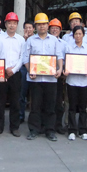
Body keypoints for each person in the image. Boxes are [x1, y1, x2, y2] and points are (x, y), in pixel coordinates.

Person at [23, 13, 64, 142]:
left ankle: (50, 130)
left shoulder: (54, 40)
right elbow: (25, 58)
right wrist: (30, 70)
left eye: (44, 24)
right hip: (35, 79)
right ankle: (34, 130)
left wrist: (60, 69)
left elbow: (59, 56)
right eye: (39, 24)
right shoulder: (30, 40)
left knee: (50, 106)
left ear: (47, 25)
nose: (42, 26)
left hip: (51, 79)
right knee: (35, 106)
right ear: (36, 26)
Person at [0, 12, 25, 137]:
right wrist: (5, 68)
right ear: (5, 24)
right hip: (1, 73)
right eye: (9, 23)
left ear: (17, 25)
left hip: (15, 74)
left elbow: (22, 57)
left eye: (14, 23)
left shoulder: (21, 40)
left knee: (15, 102)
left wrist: (13, 70)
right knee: (0, 101)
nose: (12, 25)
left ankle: (14, 127)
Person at [64, 25, 87, 141]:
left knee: (83, 107)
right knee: (72, 106)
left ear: (83, 35)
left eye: (80, 34)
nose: (78, 36)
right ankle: (72, 130)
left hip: (85, 82)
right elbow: (66, 63)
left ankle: (83, 130)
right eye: (76, 34)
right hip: (72, 81)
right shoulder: (69, 48)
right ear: (73, 35)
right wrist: (66, 70)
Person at [51, 18, 68, 134]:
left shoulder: (64, 44)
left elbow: (68, 59)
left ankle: (57, 125)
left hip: (59, 75)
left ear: (60, 30)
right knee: (47, 102)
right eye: (52, 28)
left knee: (58, 101)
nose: (54, 30)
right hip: (46, 75)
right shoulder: (46, 41)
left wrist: (63, 71)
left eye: (57, 28)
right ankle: (46, 125)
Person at [19, 21, 35, 123]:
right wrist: (24, 40)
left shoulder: (36, 39)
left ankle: (33, 117)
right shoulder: (21, 40)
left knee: (34, 94)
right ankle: (21, 115)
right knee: (22, 93)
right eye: (26, 28)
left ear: (33, 29)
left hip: (35, 67)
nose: (28, 30)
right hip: (23, 68)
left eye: (30, 28)